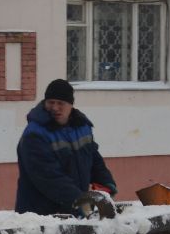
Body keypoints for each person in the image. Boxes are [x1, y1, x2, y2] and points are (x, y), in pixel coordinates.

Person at [15, 78, 117, 215]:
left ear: (70, 105)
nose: (55, 108)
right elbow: (51, 179)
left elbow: (93, 159)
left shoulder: (82, 127)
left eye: (60, 103)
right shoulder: (34, 135)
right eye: (51, 102)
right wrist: (82, 203)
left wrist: (105, 184)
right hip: (40, 217)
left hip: (72, 211)